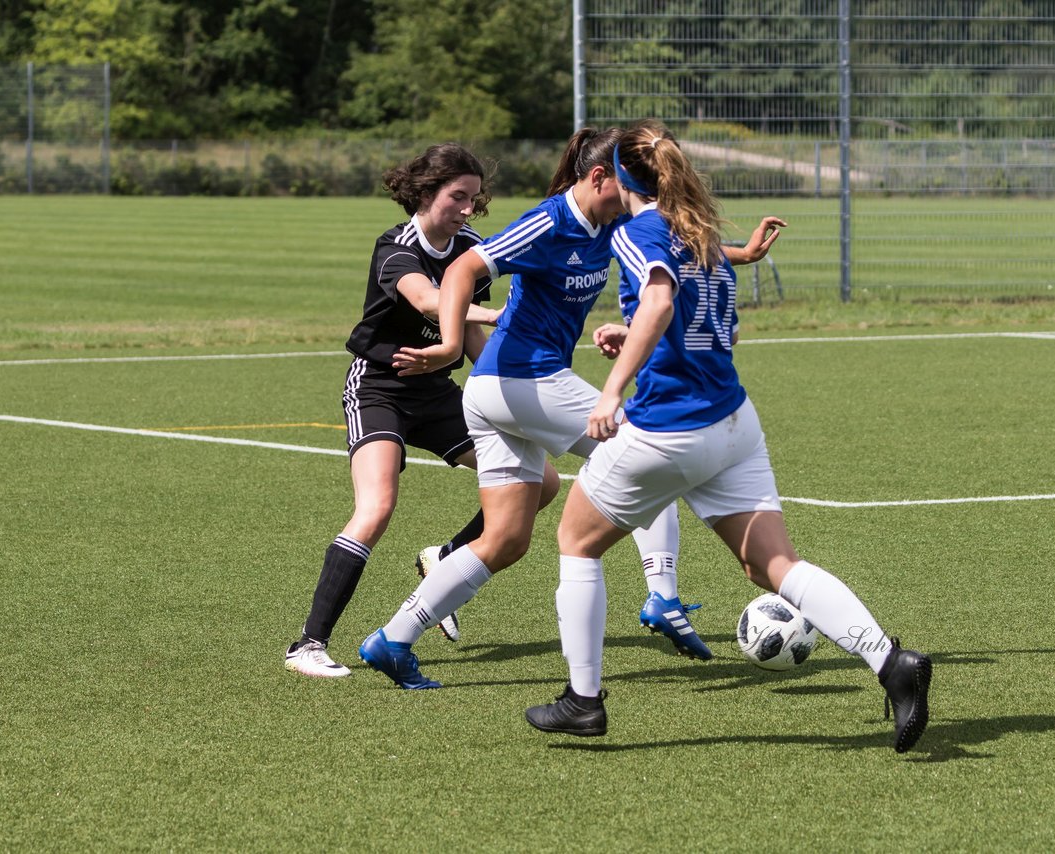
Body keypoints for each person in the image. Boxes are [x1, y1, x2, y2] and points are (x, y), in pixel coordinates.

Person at [522, 121, 932, 754]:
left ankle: (583, 702)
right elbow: (717, 332)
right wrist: (628, 338)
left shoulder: (639, 230)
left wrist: (611, 391)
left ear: (621, 177)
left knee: (575, 541)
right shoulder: (701, 234)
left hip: (672, 430)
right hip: (734, 424)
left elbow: (659, 305)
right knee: (773, 565)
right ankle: (890, 661)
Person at [357, 128, 784, 690]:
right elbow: (463, 271)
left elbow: (672, 251)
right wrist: (449, 343)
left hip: (510, 393)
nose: (632, 199)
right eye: (625, 186)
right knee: (645, 447)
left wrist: (742, 255)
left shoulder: (609, 225)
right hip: (516, 378)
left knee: (504, 541)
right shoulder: (549, 220)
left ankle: (392, 639)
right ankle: (663, 596)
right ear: (597, 177)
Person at [284, 143, 560, 678]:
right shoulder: (396, 247)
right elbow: (432, 301)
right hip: (380, 388)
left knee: (542, 483)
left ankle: (447, 557)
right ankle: (308, 645)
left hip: (436, 392)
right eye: (458, 197)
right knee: (377, 507)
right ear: (427, 192)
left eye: (474, 199)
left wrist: (504, 380)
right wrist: (505, 313)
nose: (467, 208)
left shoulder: (473, 250)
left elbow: (467, 334)